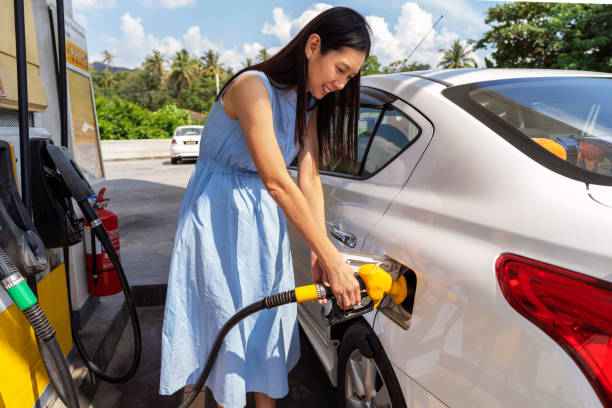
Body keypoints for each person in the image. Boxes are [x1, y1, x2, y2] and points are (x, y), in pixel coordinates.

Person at [159, 7, 371, 408]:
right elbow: (277, 180)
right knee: (227, 328)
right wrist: (333, 259)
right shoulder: (252, 87)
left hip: (262, 224)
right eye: (340, 69)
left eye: (350, 77)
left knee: (264, 329)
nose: (341, 84)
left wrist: (320, 250)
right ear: (313, 46)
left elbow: (309, 179)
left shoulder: (306, 104)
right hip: (218, 217)